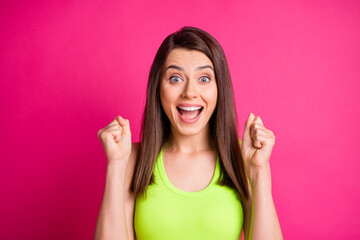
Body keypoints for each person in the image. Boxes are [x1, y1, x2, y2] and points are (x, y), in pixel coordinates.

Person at [94, 26, 283, 240]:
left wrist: (259, 172)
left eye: (204, 79)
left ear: (220, 88)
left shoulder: (241, 158)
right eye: (175, 78)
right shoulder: (132, 159)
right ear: (158, 88)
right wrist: (116, 165)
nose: (190, 92)